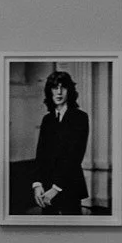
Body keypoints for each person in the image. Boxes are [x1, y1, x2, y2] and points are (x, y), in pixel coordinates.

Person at [31, 68, 90, 215]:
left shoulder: (80, 117)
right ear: (49, 91)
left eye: (63, 87)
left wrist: (56, 189)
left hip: (69, 186)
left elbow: (75, 156)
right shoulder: (47, 119)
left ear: (69, 91)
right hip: (46, 187)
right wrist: (37, 184)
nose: (59, 92)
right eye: (54, 88)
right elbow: (40, 154)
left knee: (71, 226)